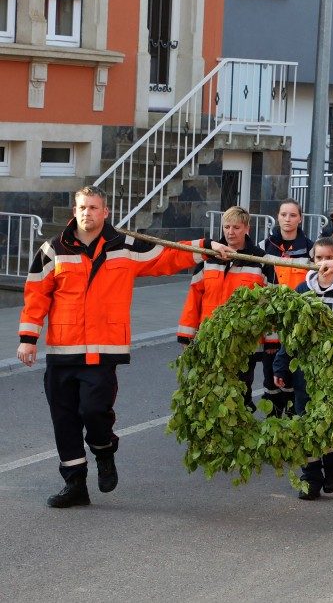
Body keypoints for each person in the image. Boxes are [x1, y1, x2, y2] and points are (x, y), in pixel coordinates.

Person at [18, 185, 218, 508]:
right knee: (64, 420)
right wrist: (28, 339)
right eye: (83, 208)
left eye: (94, 208)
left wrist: (207, 248)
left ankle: (104, 450)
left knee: (95, 411)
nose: (88, 213)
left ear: (106, 211)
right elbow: (36, 293)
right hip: (62, 351)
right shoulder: (54, 250)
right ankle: (75, 485)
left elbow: (166, 255)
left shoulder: (124, 246)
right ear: (75, 211)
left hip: (103, 351)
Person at [273, 237, 333, 500]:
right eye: (319, 258)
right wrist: (281, 366)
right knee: (305, 421)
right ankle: (311, 476)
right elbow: (290, 333)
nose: (323, 263)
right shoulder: (302, 290)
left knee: (328, 421)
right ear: (313, 261)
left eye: (328, 258)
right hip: (305, 371)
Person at [177, 206, 278, 413]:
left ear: (247, 229)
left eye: (236, 227)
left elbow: (271, 304)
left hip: (244, 340)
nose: (230, 232)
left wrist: (272, 339)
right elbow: (194, 298)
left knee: (241, 389)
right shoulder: (208, 257)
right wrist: (186, 336)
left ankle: (240, 429)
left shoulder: (260, 261)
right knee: (210, 388)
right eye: (227, 227)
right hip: (209, 337)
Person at [260, 198, 314, 413]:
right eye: (284, 215)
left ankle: (292, 419)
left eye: (293, 215)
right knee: (270, 374)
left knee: (293, 374)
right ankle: (273, 419)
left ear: (300, 219)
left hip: (297, 322)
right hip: (271, 322)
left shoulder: (310, 249)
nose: (287, 219)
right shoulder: (265, 246)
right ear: (277, 217)